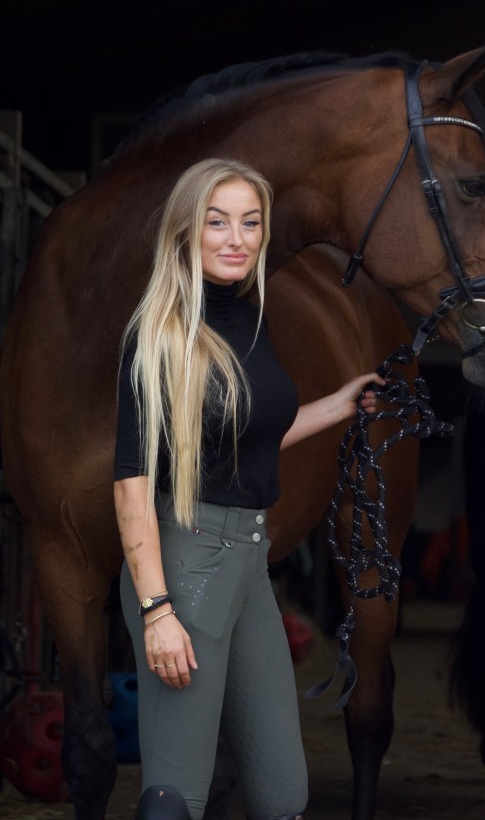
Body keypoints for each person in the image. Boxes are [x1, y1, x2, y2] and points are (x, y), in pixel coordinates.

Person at [114, 157, 384, 820]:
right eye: (217, 222)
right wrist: (156, 611)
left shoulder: (251, 320)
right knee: (175, 790)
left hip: (249, 563)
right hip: (187, 564)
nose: (236, 238)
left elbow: (248, 436)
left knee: (281, 791)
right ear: (186, 232)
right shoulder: (161, 334)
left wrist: (340, 404)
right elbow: (131, 483)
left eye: (250, 222)